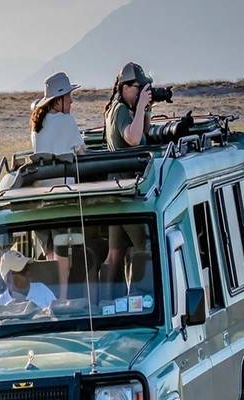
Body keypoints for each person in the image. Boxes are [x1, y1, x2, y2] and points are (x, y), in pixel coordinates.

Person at [29, 72, 85, 299]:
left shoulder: (37, 124)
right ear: (59, 100)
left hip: (42, 197)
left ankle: (50, 298)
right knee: (63, 257)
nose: (71, 101)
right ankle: (62, 298)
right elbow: (81, 151)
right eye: (69, 97)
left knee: (51, 253)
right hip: (62, 196)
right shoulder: (66, 121)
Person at [101, 62, 152, 299]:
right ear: (124, 87)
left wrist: (144, 109)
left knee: (115, 254)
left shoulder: (114, 108)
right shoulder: (121, 109)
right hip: (127, 194)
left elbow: (143, 135)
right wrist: (140, 106)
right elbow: (132, 138)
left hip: (116, 193)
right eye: (137, 88)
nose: (140, 91)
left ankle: (104, 303)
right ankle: (139, 300)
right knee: (145, 250)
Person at [0, 250, 56, 321]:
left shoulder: (41, 289)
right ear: (8, 278)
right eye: (22, 271)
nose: (28, 273)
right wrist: (3, 311)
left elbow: (58, 313)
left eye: (28, 268)